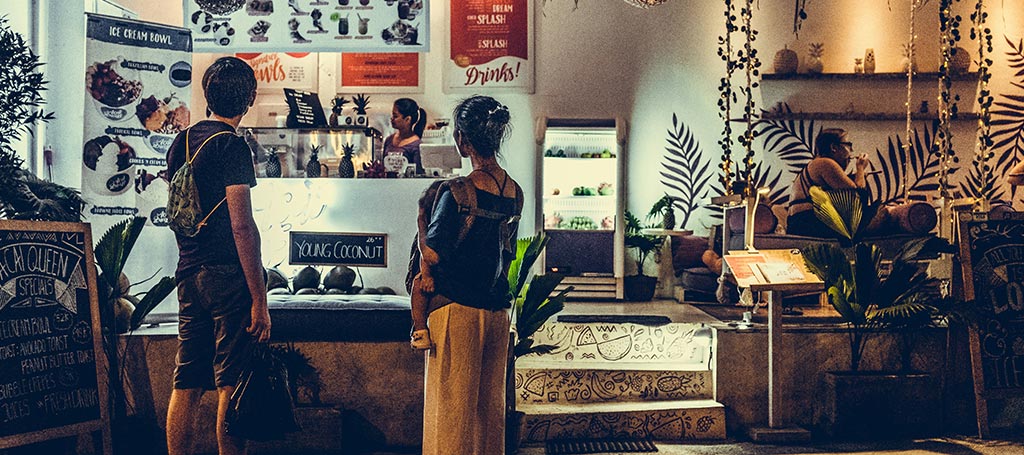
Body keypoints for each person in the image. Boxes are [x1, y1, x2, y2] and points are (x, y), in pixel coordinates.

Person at [165, 56, 269, 455]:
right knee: (232, 380)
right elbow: (242, 226)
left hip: (189, 270)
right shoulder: (232, 145)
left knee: (187, 380)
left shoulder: (181, 141)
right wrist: (259, 297)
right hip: (226, 273)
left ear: (207, 96)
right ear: (250, 98)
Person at [421, 96, 521, 455]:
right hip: (496, 314)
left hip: (456, 311)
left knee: (450, 414)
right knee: (488, 415)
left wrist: (421, 222)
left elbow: (433, 253)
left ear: (462, 140)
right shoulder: (514, 192)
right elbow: (507, 251)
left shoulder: (457, 190)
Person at [787, 128, 884, 238]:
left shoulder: (815, 164)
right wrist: (860, 168)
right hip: (809, 223)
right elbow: (858, 198)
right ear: (833, 147)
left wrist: (854, 175)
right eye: (848, 145)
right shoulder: (825, 163)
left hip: (800, 223)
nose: (852, 150)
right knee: (884, 212)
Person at [384, 97, 427, 174]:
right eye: (392, 115)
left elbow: (418, 174)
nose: (392, 119)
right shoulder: (389, 140)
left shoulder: (416, 145)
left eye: (395, 116)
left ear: (407, 119)